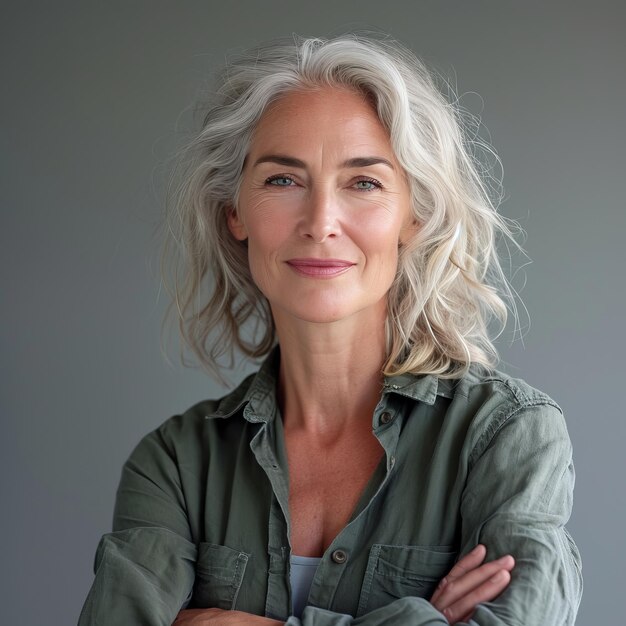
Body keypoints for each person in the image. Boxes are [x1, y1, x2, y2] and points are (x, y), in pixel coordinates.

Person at [78, 34, 582, 625]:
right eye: (282, 181)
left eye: (363, 182)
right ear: (235, 211)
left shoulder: (504, 436)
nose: (320, 222)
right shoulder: (177, 463)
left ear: (414, 214)